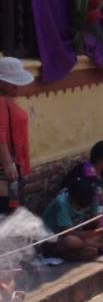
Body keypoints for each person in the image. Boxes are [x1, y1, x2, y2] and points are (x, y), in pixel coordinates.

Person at [41, 175, 103, 261]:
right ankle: (94, 247)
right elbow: (69, 233)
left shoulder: (92, 195)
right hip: (58, 238)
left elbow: (95, 217)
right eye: (78, 206)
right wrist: (97, 234)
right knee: (70, 241)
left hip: (80, 233)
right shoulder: (61, 203)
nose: (80, 209)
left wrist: (101, 228)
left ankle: (84, 249)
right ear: (72, 199)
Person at [0, 57, 33, 214]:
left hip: (13, 168)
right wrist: (9, 164)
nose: (16, 86)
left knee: (11, 210)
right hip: (6, 171)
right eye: (13, 82)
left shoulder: (6, 100)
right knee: (6, 212)